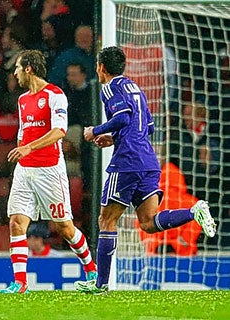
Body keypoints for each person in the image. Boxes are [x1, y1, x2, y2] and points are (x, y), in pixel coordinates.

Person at [75, 46, 217, 294]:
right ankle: (194, 212)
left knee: (106, 220)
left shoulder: (110, 87)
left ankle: (100, 285)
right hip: (149, 161)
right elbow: (147, 126)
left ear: (101, 67)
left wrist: (95, 130)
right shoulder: (135, 88)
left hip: (127, 161)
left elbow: (123, 117)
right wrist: (113, 138)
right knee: (149, 223)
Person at [0, 49, 97, 295]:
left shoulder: (55, 95)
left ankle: (91, 268)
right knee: (16, 222)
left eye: (18, 68)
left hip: (49, 170)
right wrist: (22, 151)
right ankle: (20, 283)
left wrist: (28, 147)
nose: (15, 73)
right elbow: (24, 133)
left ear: (29, 69)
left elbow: (59, 131)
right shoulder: (22, 100)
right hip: (25, 171)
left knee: (64, 227)